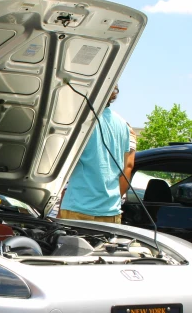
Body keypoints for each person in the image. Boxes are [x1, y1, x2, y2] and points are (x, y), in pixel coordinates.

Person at [57, 84, 136, 223]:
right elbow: (128, 167)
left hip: (78, 208)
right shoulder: (124, 125)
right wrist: (114, 199)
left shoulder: (80, 121)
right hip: (111, 212)